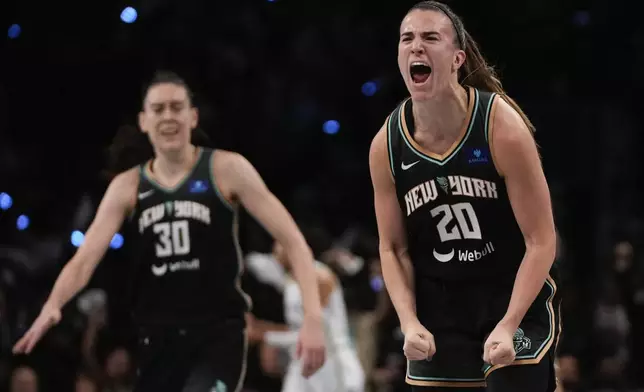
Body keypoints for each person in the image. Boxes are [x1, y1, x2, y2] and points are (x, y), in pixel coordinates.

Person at [12, 70, 326, 392]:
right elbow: (84, 261)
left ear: (193, 117)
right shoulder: (128, 186)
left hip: (216, 336)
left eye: (177, 107)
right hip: (157, 340)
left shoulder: (226, 169)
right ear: (144, 121)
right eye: (158, 109)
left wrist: (313, 320)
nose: (168, 116)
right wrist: (53, 304)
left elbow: (294, 243)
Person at [368, 2, 561, 391]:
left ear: (457, 59)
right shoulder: (386, 146)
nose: (416, 47)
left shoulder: (500, 126)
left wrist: (508, 325)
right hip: (440, 307)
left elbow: (541, 240)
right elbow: (392, 248)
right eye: (407, 39)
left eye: (430, 38)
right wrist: (408, 322)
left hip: (510, 295)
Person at [246, 241, 365, 392]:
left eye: (282, 241)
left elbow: (315, 334)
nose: (277, 248)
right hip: (304, 365)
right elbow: (297, 329)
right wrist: (258, 328)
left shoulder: (318, 276)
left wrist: (263, 335)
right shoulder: (289, 279)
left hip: (330, 364)